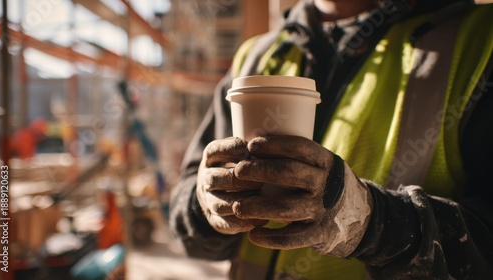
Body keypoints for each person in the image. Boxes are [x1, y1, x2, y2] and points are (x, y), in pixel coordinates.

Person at [169, 0, 493, 278]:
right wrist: (204, 205)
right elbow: (186, 212)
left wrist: (374, 224)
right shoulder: (256, 55)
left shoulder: (479, 42)